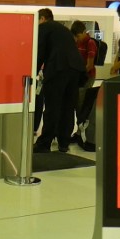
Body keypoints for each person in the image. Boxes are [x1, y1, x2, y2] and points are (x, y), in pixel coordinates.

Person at [33, 8, 86, 153]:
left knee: (52, 107)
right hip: (75, 70)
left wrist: (33, 72)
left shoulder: (44, 28)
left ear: (43, 18)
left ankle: (44, 144)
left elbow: (40, 52)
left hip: (58, 69)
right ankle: (64, 142)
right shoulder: (62, 29)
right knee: (68, 107)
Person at [71, 20, 97, 139]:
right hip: (78, 77)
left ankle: (81, 132)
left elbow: (90, 65)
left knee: (82, 104)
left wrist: (80, 75)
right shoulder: (77, 43)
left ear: (83, 32)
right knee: (77, 104)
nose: (77, 39)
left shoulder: (90, 43)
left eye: (78, 36)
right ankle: (78, 132)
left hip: (86, 77)